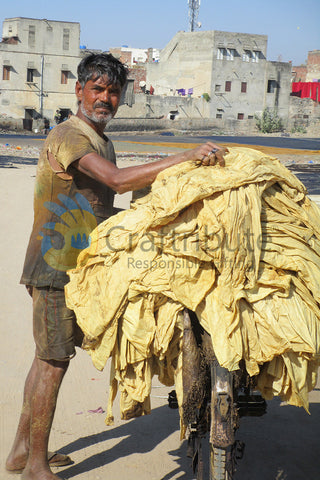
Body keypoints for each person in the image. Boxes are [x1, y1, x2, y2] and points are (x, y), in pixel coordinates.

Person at [6, 52, 227, 480]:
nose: (105, 98)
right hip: (55, 265)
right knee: (53, 363)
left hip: (75, 263)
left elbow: (102, 202)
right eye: (97, 89)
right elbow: (117, 181)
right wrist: (186, 157)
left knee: (45, 360)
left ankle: (21, 451)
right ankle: (35, 466)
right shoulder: (71, 136)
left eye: (112, 90)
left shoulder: (100, 138)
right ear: (79, 90)